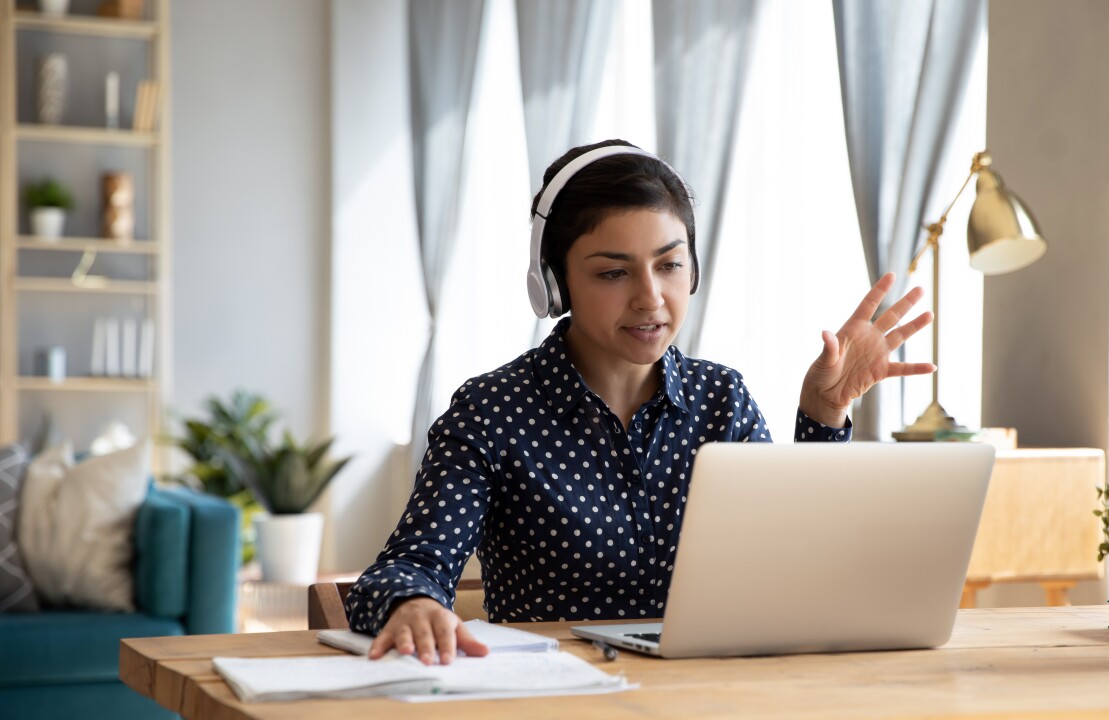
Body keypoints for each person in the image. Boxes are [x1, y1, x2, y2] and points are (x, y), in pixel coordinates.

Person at [345, 139, 935, 665]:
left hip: (713, 695)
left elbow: (800, 565)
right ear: (554, 284)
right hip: (556, 697)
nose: (651, 298)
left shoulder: (721, 400)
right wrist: (414, 603)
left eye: (670, 264)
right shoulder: (492, 411)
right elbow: (403, 569)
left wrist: (824, 415)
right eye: (613, 273)